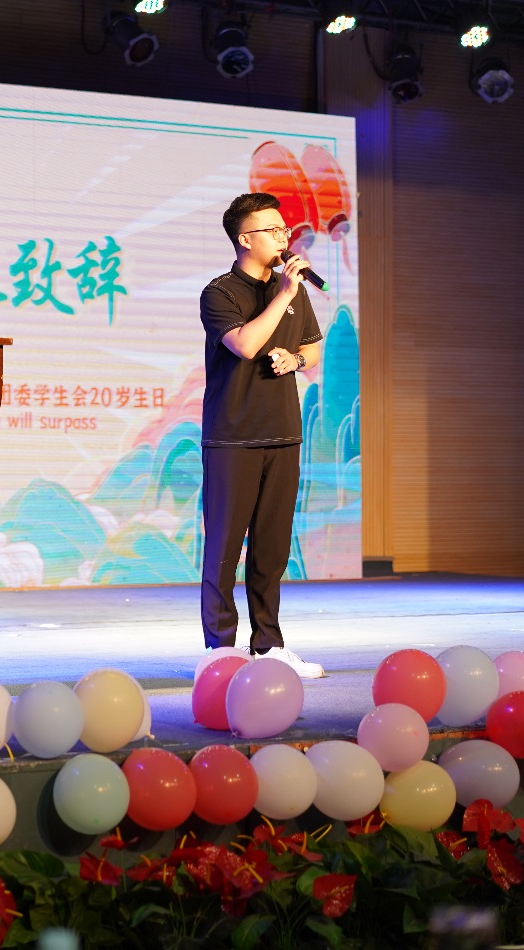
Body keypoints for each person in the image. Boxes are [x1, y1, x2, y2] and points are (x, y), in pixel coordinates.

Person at [198, 192, 324, 679]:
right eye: (272, 230)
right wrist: (283, 296)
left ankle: (268, 647)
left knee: (272, 551)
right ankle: (220, 652)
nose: (283, 237)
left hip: (283, 434)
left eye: (283, 229)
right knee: (224, 549)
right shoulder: (220, 293)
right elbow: (246, 344)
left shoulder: (292, 290)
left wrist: (297, 359)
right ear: (245, 239)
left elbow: (313, 347)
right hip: (233, 438)